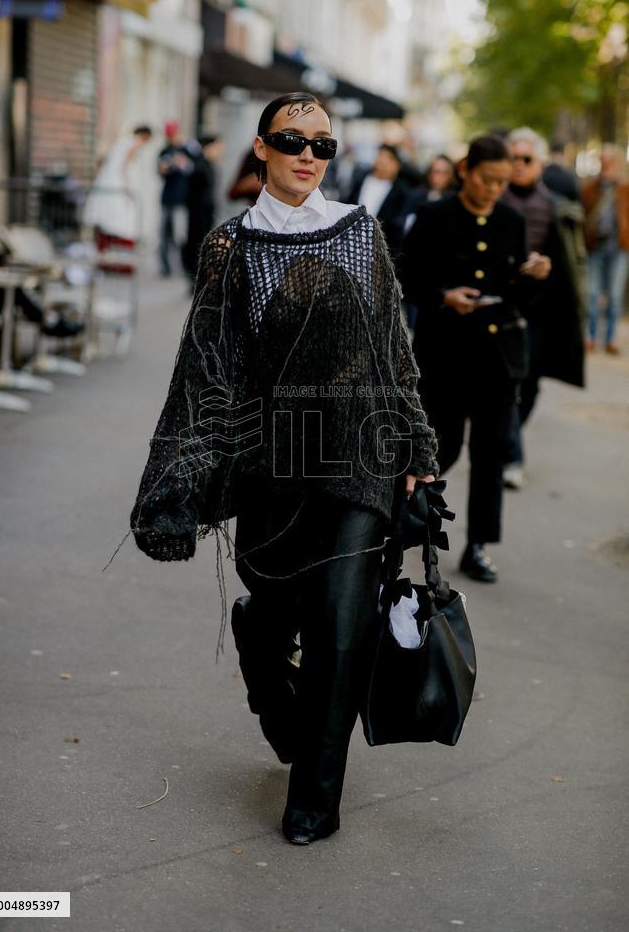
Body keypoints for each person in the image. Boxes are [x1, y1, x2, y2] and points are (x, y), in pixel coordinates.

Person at [130, 92, 438, 845]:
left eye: (323, 145)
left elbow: (394, 352)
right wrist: (174, 481)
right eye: (292, 140)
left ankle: (315, 797)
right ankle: (261, 654)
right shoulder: (227, 249)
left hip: (359, 457)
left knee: (340, 626)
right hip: (272, 462)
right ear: (262, 149)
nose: (309, 155)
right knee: (273, 614)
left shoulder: (360, 235)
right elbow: (205, 370)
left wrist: (419, 455)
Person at [402, 134, 551, 583]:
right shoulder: (433, 215)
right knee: (437, 451)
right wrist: (444, 297)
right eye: (487, 179)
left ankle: (479, 545)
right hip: (444, 356)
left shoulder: (510, 219)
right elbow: (406, 279)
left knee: (490, 455)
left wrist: (533, 276)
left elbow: (515, 297)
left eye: (502, 182)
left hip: (495, 359)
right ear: (467, 169)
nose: (493, 190)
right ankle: (408, 526)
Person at [501, 128, 585, 489]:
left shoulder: (555, 207)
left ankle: (507, 438)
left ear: (539, 163)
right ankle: (513, 456)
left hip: (540, 310)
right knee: (506, 383)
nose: (518, 165)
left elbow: (572, 260)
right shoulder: (493, 199)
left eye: (526, 159)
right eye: (513, 158)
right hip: (500, 307)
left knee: (531, 384)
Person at [581, 145, 629, 354]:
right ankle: (590, 336)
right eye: (604, 163)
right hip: (594, 247)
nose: (606, 167)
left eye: (610, 163)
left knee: (614, 296)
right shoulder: (588, 189)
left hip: (619, 248)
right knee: (591, 294)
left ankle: (610, 338)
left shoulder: (625, 189)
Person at [83, 125, 152, 249]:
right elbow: (126, 166)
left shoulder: (123, 140)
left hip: (108, 184)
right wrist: (128, 187)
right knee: (119, 219)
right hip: (119, 185)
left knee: (106, 220)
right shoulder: (134, 142)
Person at [348, 144, 412, 262]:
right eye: (380, 158)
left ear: (396, 165)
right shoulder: (361, 180)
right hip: (352, 246)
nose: (382, 163)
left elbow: (398, 224)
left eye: (388, 160)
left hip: (381, 251)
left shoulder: (401, 191)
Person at [183, 135, 225, 283]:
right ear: (209, 147)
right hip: (198, 213)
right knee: (197, 244)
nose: (220, 151)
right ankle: (194, 276)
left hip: (207, 212)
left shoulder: (209, 165)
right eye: (218, 147)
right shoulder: (199, 165)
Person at [158, 122, 194, 277]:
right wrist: (172, 163)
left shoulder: (187, 149)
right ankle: (166, 267)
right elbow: (161, 170)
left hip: (182, 199)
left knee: (180, 235)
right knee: (164, 235)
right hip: (167, 198)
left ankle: (183, 266)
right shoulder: (165, 151)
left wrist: (182, 162)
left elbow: (192, 169)